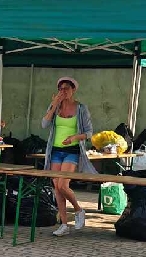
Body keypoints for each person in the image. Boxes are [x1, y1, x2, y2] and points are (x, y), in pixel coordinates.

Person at [40, 77, 96, 237]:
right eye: (61, 89)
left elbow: (89, 132)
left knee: (63, 185)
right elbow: (44, 124)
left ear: (73, 90)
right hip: (55, 151)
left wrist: (74, 137)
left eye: (66, 88)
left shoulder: (81, 108)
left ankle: (78, 210)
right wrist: (53, 106)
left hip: (72, 150)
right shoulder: (55, 107)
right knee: (56, 187)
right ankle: (64, 224)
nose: (63, 91)